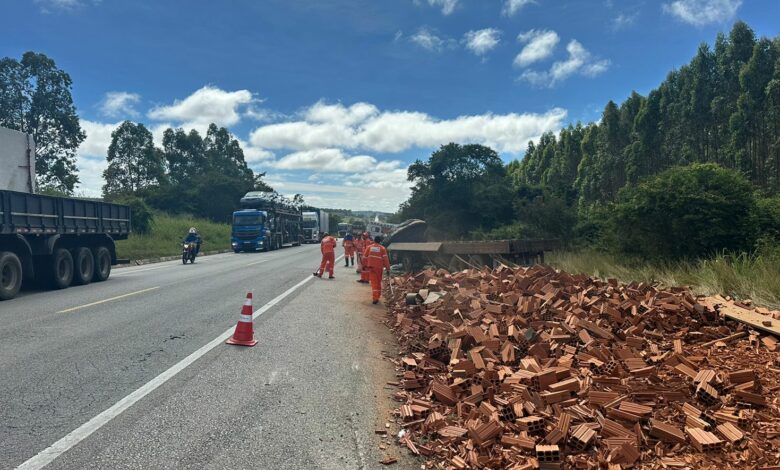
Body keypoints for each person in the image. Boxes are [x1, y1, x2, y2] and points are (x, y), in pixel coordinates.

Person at [363, 235, 391, 304]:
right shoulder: (382, 248)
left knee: (374, 283)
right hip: (379, 268)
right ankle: (377, 296)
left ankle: (375, 298)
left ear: (374, 240)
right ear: (380, 241)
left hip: (371, 267)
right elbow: (386, 260)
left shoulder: (369, 247)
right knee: (378, 282)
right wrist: (388, 269)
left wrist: (364, 265)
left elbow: (364, 257)